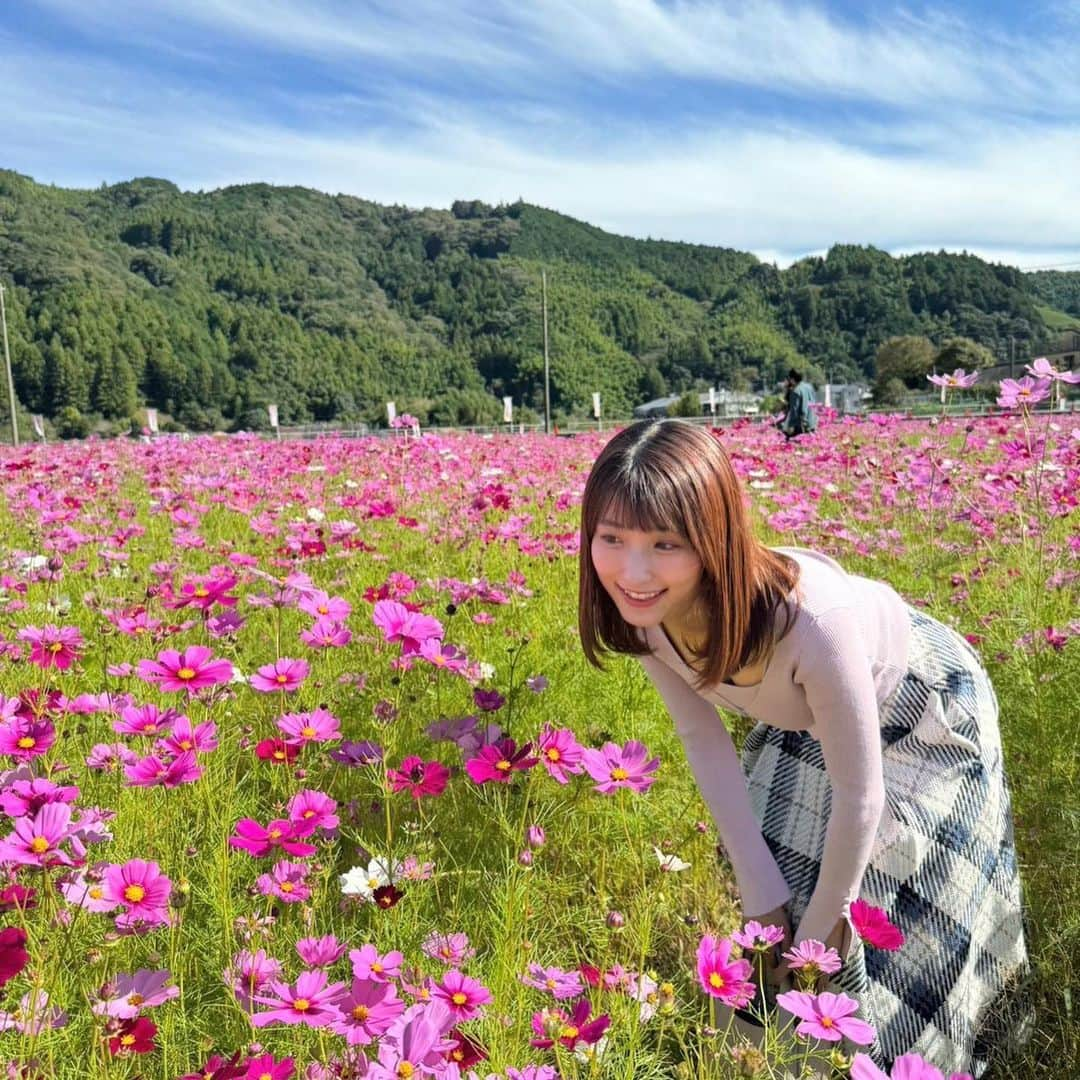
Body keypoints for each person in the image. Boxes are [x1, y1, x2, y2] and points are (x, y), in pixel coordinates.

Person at [577, 419, 1028, 1077]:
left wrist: (817, 934)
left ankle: (927, 1053)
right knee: (773, 882)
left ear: (714, 539)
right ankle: (763, 1059)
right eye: (612, 538)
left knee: (895, 903)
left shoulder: (812, 621)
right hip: (817, 723)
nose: (634, 570)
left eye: (665, 543)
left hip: (928, 706)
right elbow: (703, 740)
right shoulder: (641, 610)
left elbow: (860, 795)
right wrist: (760, 892)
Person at [778, 368, 818, 438]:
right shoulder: (809, 387)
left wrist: (791, 426)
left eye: (789, 379)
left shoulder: (796, 391)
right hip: (812, 422)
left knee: (787, 442)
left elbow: (794, 410)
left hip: (801, 425)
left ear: (792, 379)